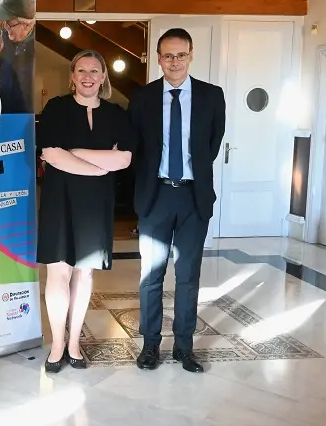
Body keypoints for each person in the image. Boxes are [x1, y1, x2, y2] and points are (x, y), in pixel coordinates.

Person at [128, 28, 226, 373]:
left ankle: (185, 348)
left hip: (193, 198)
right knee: (151, 276)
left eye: (180, 55)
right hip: (155, 196)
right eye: (168, 55)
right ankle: (150, 346)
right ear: (158, 58)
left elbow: (211, 146)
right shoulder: (142, 97)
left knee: (187, 276)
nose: (174, 62)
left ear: (191, 55)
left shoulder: (212, 96)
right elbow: (136, 148)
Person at [37, 50, 133, 373]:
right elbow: (51, 154)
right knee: (58, 272)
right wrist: (98, 166)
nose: (88, 76)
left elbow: (124, 159)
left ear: (103, 76)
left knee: (84, 273)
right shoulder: (57, 107)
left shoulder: (116, 113)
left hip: (95, 203)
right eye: (81, 70)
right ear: (72, 76)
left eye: (94, 70)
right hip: (60, 200)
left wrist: (76, 153)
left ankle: (74, 343)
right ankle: (57, 345)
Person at [0, 0, 35, 114]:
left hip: (26, 115)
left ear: (26, 25)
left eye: (9, 23)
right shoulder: (5, 35)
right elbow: (0, 60)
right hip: (5, 111)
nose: (6, 27)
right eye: (4, 22)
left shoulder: (37, 45)